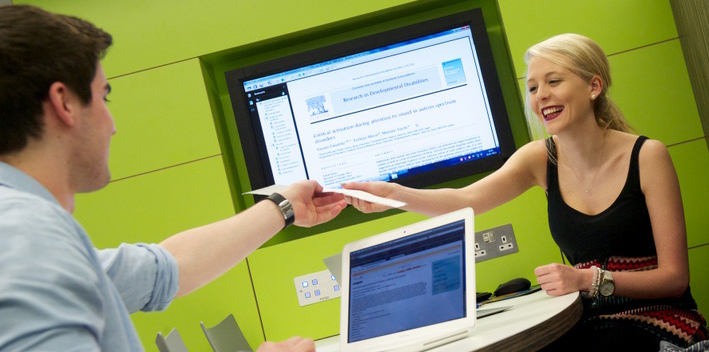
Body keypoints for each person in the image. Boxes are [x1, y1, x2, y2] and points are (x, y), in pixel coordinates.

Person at [0, 5, 347, 352]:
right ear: (65, 102)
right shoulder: (26, 234)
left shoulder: (32, 238)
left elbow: (170, 269)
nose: (113, 124)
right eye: (103, 96)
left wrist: (284, 207)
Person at [344, 33, 708, 350]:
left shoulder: (647, 155)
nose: (541, 96)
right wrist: (392, 194)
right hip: (589, 323)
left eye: (554, 81)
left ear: (594, 86)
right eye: (533, 87)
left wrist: (587, 279)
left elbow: (675, 279)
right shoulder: (539, 158)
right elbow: (464, 201)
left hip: (662, 319)